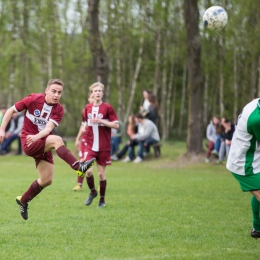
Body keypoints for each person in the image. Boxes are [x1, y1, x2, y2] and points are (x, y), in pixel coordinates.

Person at [0, 79, 95, 220]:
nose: (56, 95)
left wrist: (37, 136)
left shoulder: (59, 109)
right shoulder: (33, 99)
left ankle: (23, 200)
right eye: (54, 91)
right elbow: (10, 110)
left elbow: (48, 129)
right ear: (46, 90)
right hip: (28, 141)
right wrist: (2, 129)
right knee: (57, 140)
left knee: (46, 180)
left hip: (41, 141)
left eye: (59, 92)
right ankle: (78, 167)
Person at [81, 82, 119, 207]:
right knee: (88, 171)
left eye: (99, 91)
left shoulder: (108, 108)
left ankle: (102, 200)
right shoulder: (87, 108)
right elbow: (86, 122)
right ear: (92, 94)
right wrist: (84, 128)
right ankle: (93, 192)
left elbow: (116, 125)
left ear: (102, 93)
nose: (97, 93)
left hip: (103, 145)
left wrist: (101, 121)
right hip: (90, 145)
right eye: (95, 91)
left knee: (101, 174)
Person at [226, 98, 260, 239]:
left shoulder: (256, 103)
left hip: (254, 155)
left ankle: (257, 228)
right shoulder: (256, 120)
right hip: (244, 163)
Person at [73, 93, 95, 191]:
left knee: (97, 163)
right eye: (92, 97)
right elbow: (83, 126)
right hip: (85, 140)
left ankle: (101, 183)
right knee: (81, 161)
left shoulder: (102, 110)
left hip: (95, 141)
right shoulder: (85, 111)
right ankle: (79, 185)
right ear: (88, 98)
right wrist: (78, 138)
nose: (94, 99)